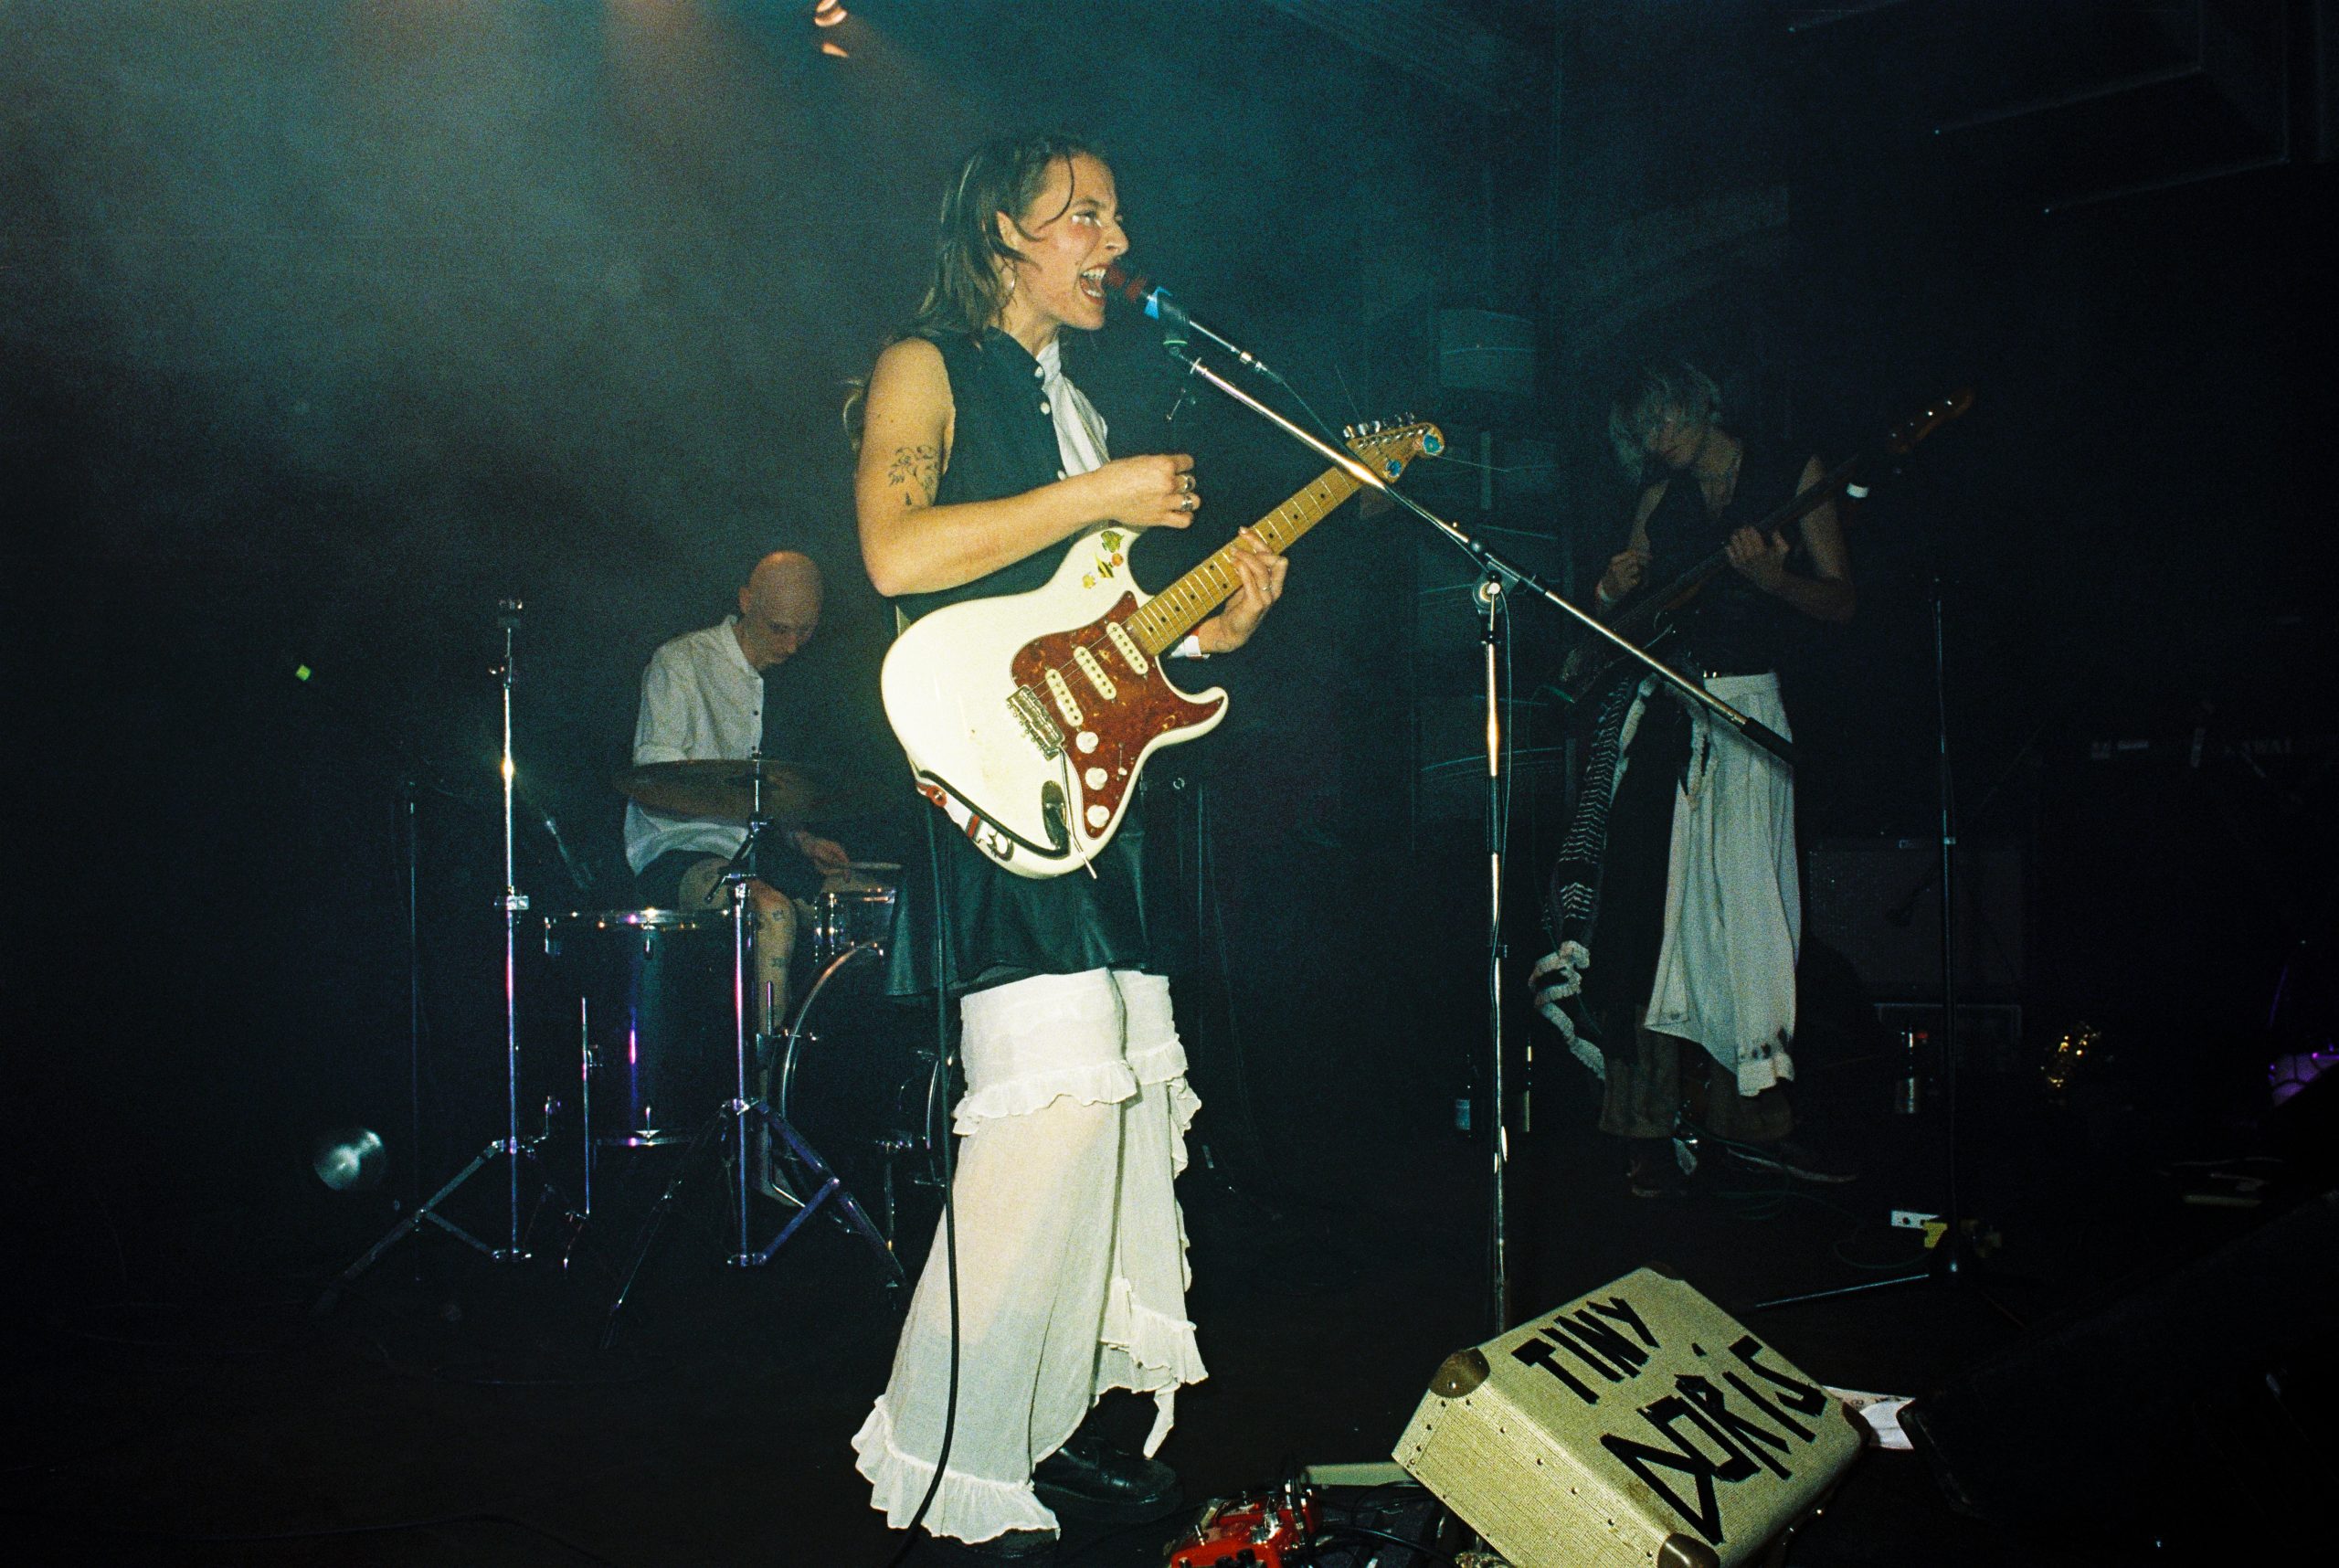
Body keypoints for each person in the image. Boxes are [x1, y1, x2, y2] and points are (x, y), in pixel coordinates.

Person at [848, 134, 1288, 1565]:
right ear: (1001, 233)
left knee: (1108, 1115)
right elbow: (898, 554)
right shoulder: (925, 363)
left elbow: (1101, 637)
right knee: (1044, 1117)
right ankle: (955, 1455)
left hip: (1090, 799)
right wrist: (1096, 499)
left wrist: (1213, 631)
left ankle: (1068, 1424)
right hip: (988, 778)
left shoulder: (1081, 408)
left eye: (1116, 214)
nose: (1113, 240)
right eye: (1082, 215)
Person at [1532, 361, 1855, 1198]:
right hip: (1666, 712)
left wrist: (1774, 580)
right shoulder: (1659, 499)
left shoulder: (1793, 473)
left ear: (1701, 404)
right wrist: (1608, 590)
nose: (1655, 439)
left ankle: (1757, 1124)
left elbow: (1841, 600)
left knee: (1750, 921)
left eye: (1662, 419)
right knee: (1648, 920)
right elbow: (1619, 622)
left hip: (1751, 712)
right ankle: (1643, 1127)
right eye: (1640, 432)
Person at [623, 549, 852, 1029]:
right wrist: (727, 794)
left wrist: (802, 839)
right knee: (772, 914)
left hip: (754, 853)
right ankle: (766, 1068)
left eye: (805, 631)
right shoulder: (681, 662)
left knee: (864, 901)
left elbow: (771, 795)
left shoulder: (789, 681)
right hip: (679, 850)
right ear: (746, 601)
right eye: (779, 628)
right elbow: (656, 781)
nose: (792, 645)